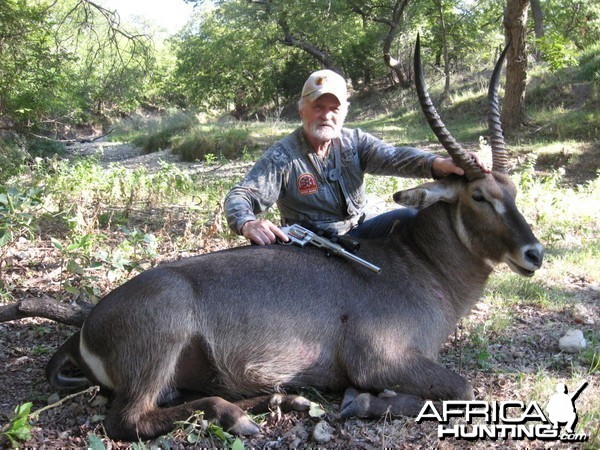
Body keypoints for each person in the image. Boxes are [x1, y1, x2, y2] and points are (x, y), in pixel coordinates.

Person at [224, 69, 481, 245]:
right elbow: (241, 196)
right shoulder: (283, 156)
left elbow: (394, 156)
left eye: (334, 109)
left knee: (412, 218)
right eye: (318, 107)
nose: (326, 116)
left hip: (360, 233)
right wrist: (247, 222)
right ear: (302, 111)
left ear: (344, 112)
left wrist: (438, 164)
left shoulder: (354, 141)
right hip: (310, 247)